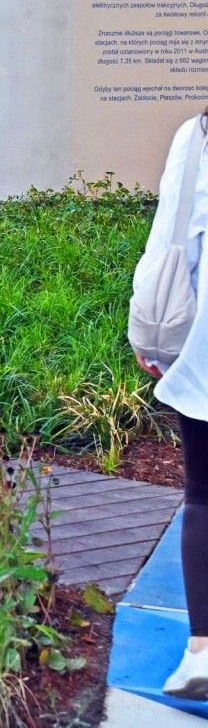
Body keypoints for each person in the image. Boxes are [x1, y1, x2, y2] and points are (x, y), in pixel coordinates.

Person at [133, 109, 208, 698]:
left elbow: (172, 241)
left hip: (206, 356)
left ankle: (203, 652)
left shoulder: (197, 135)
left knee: (205, 498)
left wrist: (151, 336)